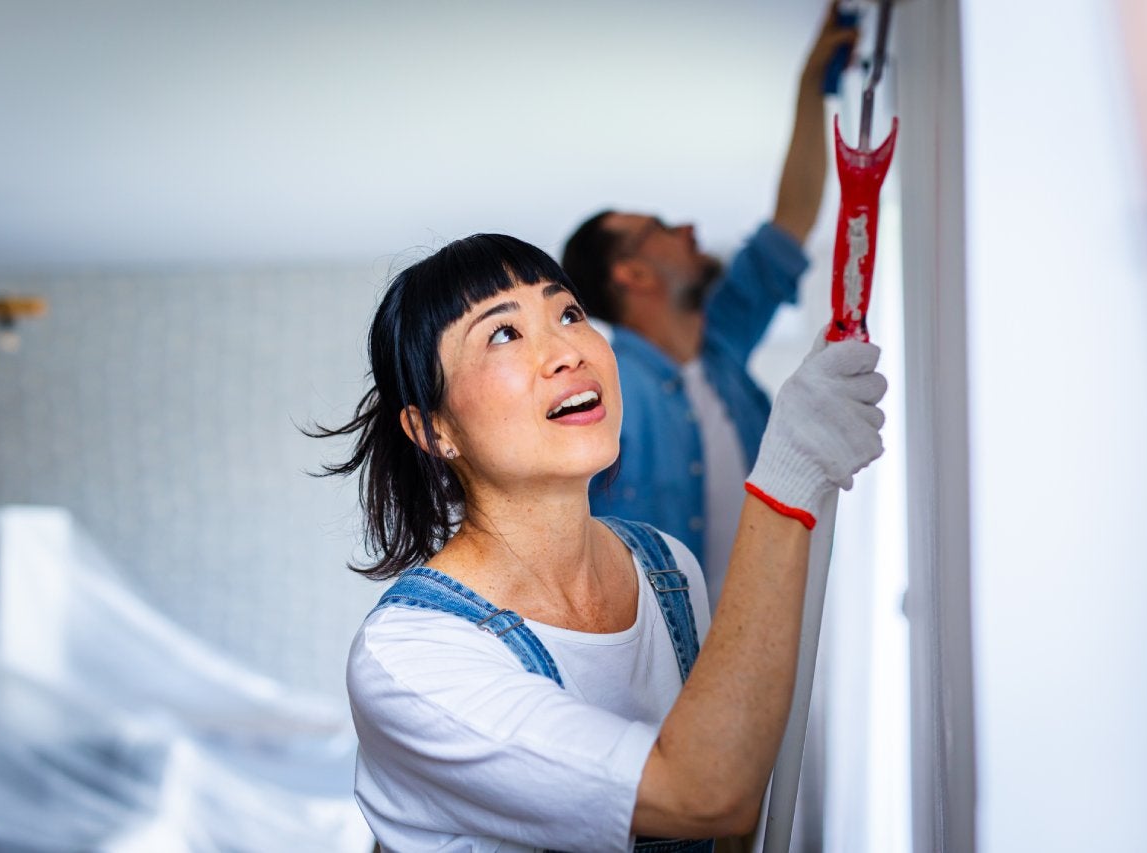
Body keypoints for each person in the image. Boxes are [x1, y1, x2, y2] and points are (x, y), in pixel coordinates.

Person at [311, 233, 885, 851]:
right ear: (433, 429)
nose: (565, 352)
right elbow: (702, 794)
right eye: (503, 333)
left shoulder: (666, 569)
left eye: (569, 314)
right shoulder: (410, 660)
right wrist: (786, 476)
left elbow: (732, 790)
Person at [561, 6, 858, 606]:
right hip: (658, 678)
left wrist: (810, 87)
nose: (690, 228)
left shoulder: (720, 342)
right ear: (633, 274)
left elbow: (791, 220)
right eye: (663, 228)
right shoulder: (601, 395)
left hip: (761, 644)